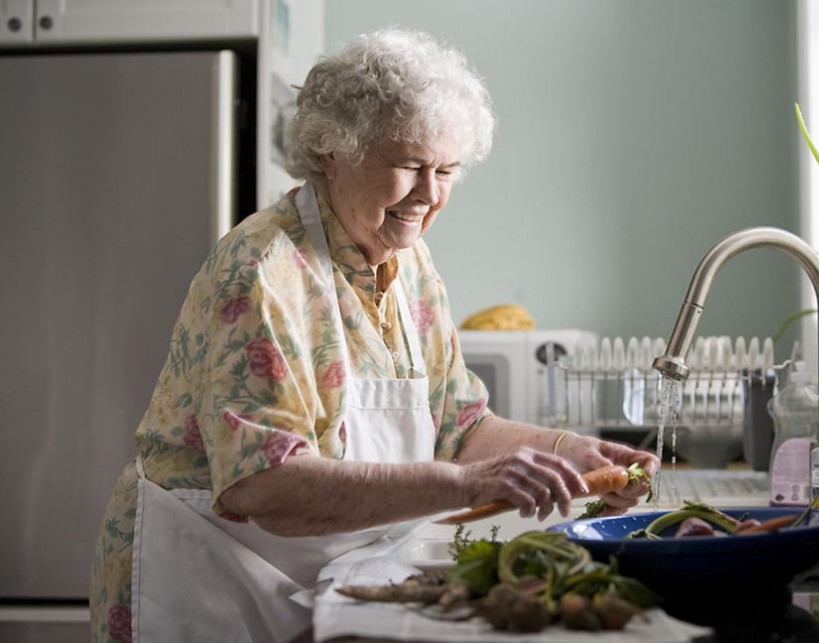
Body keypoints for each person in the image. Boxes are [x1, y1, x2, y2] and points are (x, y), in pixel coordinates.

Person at [90, 28, 659, 643]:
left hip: (325, 574)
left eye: (447, 170)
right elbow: (265, 485)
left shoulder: (409, 263)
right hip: (213, 579)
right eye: (410, 166)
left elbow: (459, 426)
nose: (430, 194)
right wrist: (466, 485)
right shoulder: (264, 270)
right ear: (333, 151)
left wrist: (572, 452)